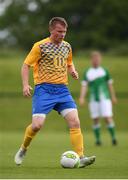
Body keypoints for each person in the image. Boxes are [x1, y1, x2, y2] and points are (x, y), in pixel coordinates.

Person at [14, 17, 96, 167]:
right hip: (44, 90)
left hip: (62, 90)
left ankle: (81, 156)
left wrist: (73, 71)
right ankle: (23, 148)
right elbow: (25, 65)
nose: (63, 34)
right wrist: (25, 85)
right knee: (37, 125)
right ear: (51, 30)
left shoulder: (67, 46)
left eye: (65, 32)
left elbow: (69, 62)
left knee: (75, 121)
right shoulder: (40, 46)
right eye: (59, 31)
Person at [79, 51, 117, 146]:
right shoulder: (88, 72)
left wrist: (113, 96)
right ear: (91, 60)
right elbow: (84, 86)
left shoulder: (104, 71)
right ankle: (98, 140)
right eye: (94, 59)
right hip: (93, 99)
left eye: (98, 59)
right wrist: (82, 98)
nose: (96, 61)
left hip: (105, 99)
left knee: (107, 117)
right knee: (95, 119)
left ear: (100, 60)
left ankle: (113, 138)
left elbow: (110, 85)